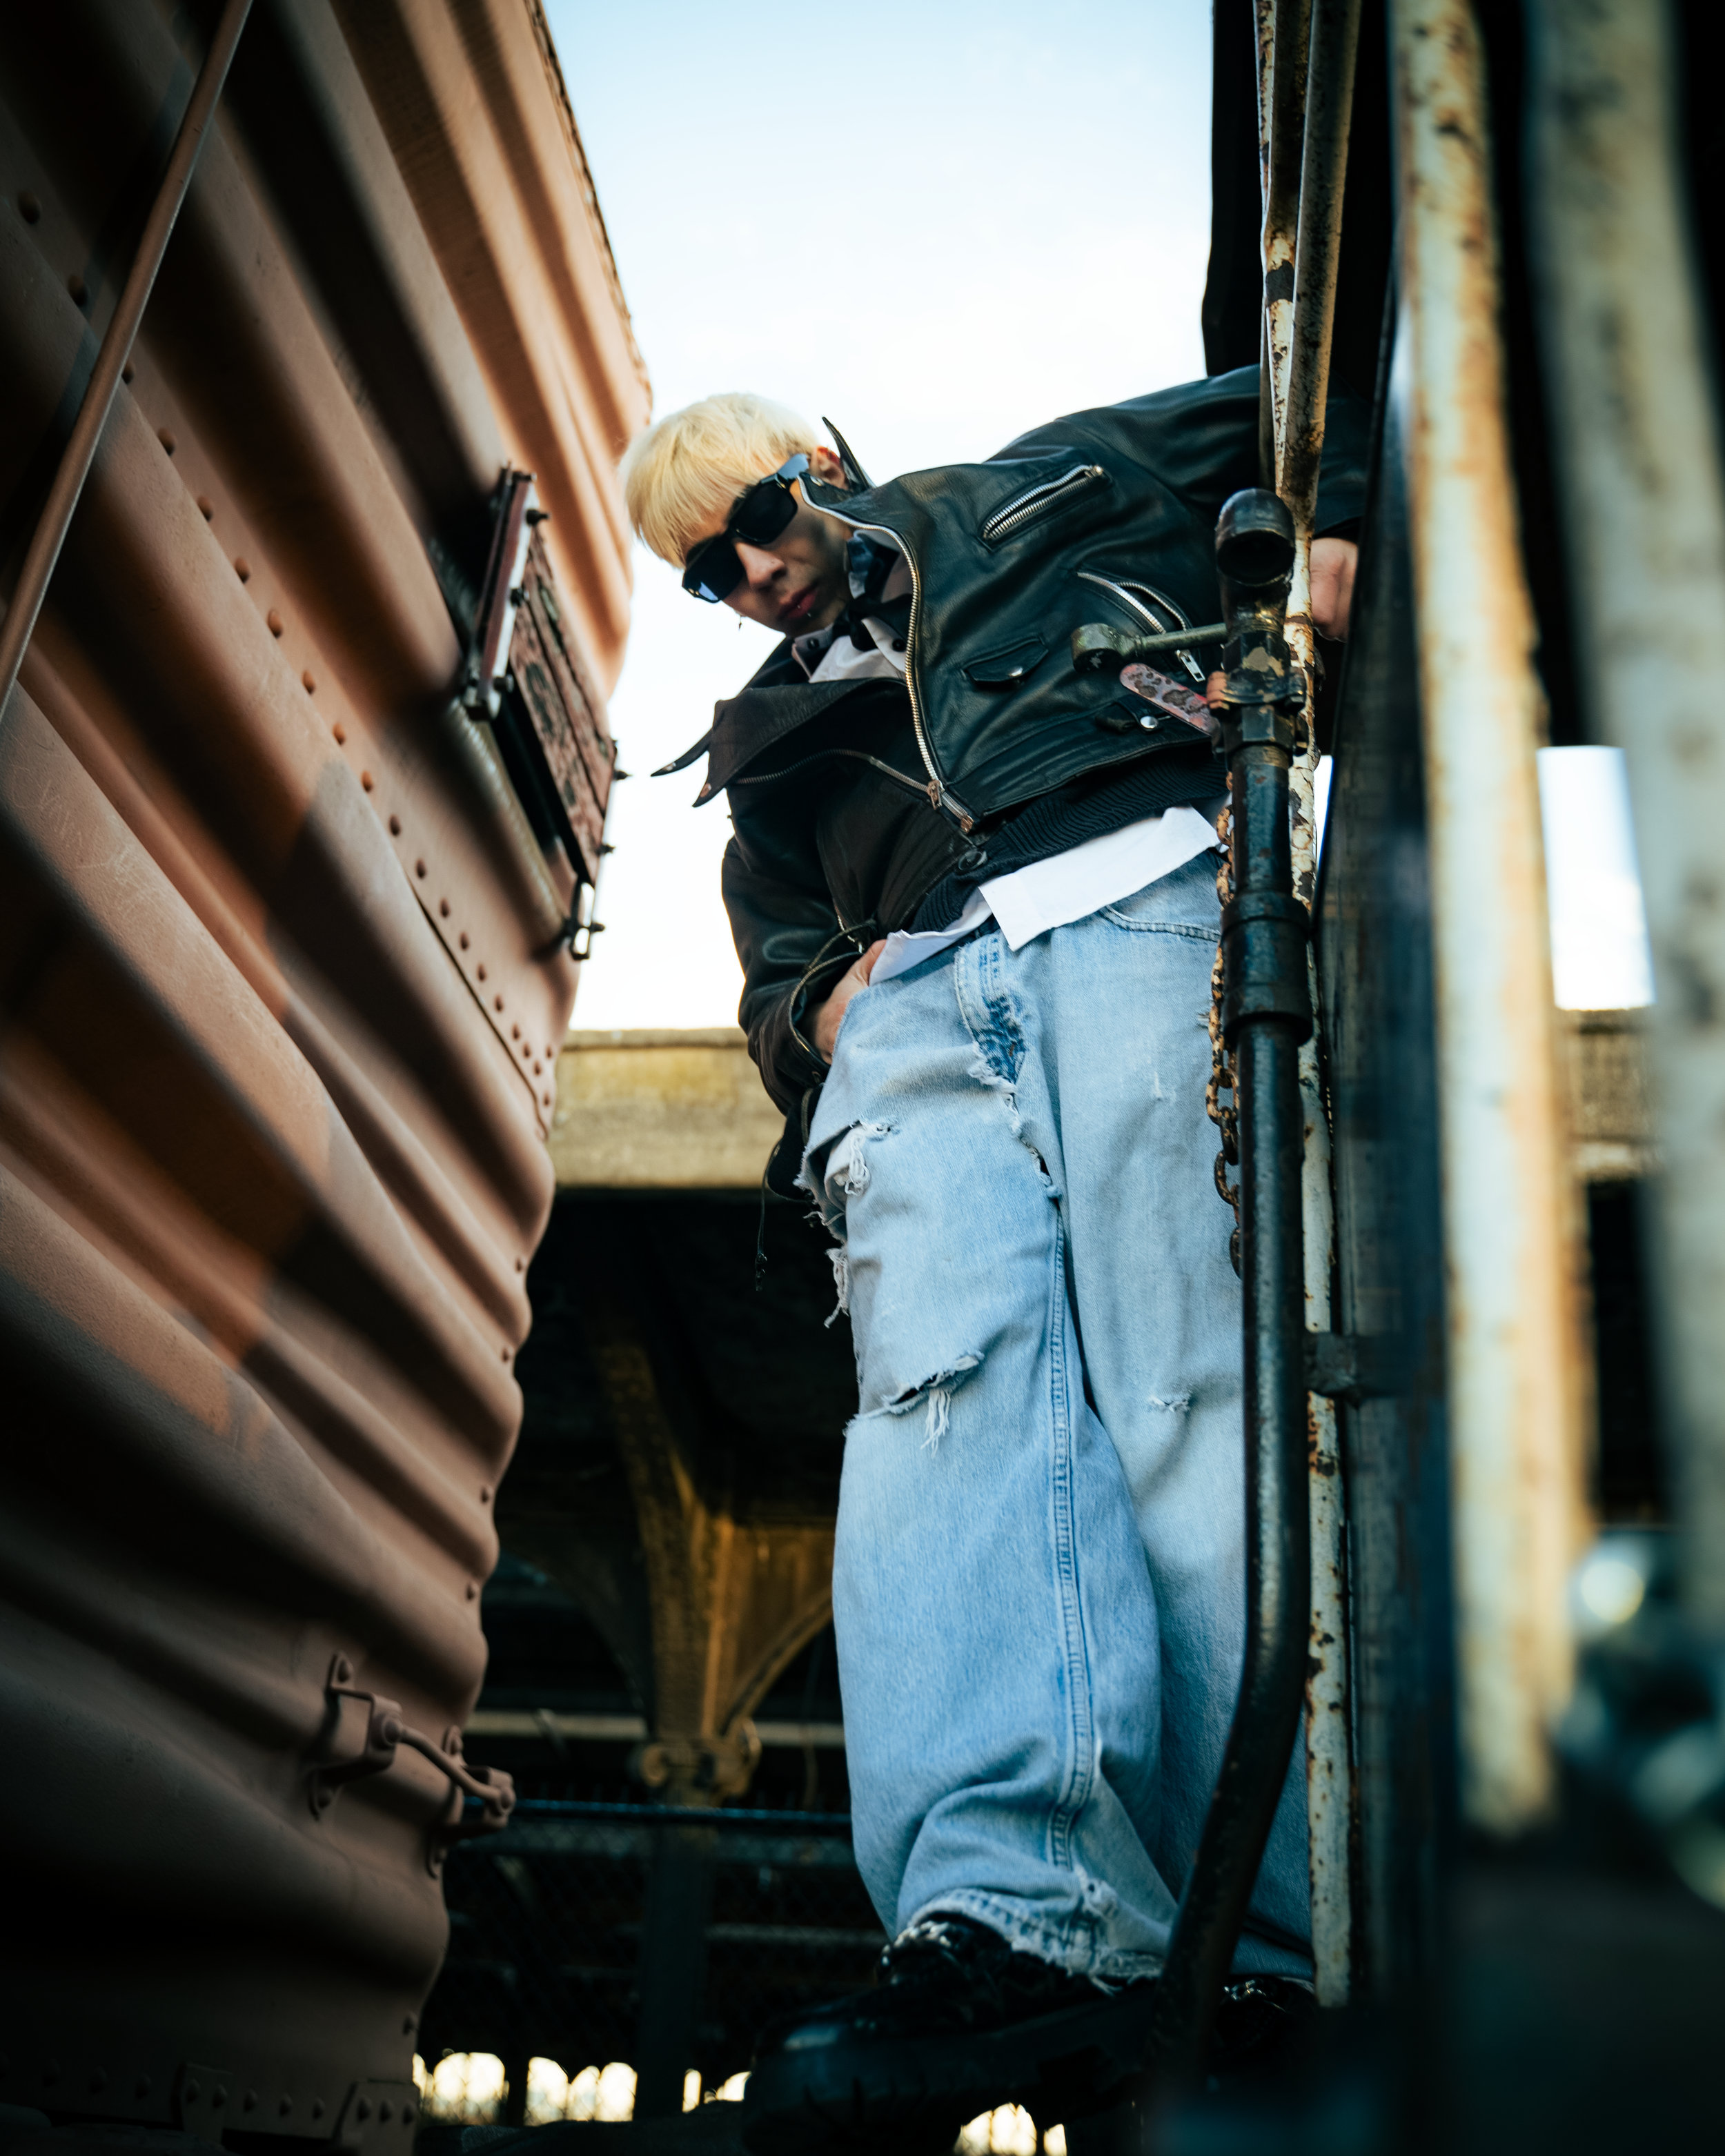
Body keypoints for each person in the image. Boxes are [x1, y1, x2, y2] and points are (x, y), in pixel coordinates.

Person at [620, 377, 1366, 2152]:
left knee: (1189, 1388)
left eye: (751, 523)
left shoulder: (1054, 477)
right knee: (944, 1410)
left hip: (1134, 886)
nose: (747, 577)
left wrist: (1335, 526)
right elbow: (771, 972)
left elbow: (1321, 378)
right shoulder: (764, 767)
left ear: (820, 464)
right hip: (919, 998)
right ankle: (1012, 1923)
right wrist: (819, 1004)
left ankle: (1256, 1951)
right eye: (703, 576)